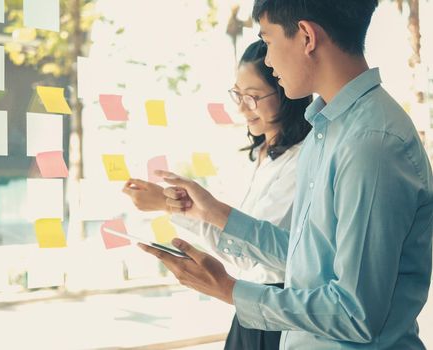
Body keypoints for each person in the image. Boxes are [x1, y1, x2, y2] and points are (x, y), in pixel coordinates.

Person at [138, 0, 433, 349]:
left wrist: (229, 290)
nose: (268, 60)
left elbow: (356, 313)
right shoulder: (328, 130)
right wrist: (213, 212)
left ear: (306, 36)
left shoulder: (372, 143)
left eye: (269, 39)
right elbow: (306, 258)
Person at [123, 40, 312, 349]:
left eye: (252, 97)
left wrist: (193, 212)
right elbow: (238, 247)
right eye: (238, 94)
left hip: (280, 311)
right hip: (251, 310)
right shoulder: (261, 156)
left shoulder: (306, 159)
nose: (241, 107)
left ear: (286, 93)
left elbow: (276, 254)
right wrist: (171, 204)